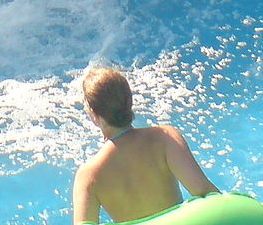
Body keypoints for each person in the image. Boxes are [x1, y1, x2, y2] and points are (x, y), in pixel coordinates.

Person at [73, 67, 219, 225]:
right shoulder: (164, 138)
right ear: (129, 101)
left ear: (94, 115)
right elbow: (205, 192)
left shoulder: (89, 174)